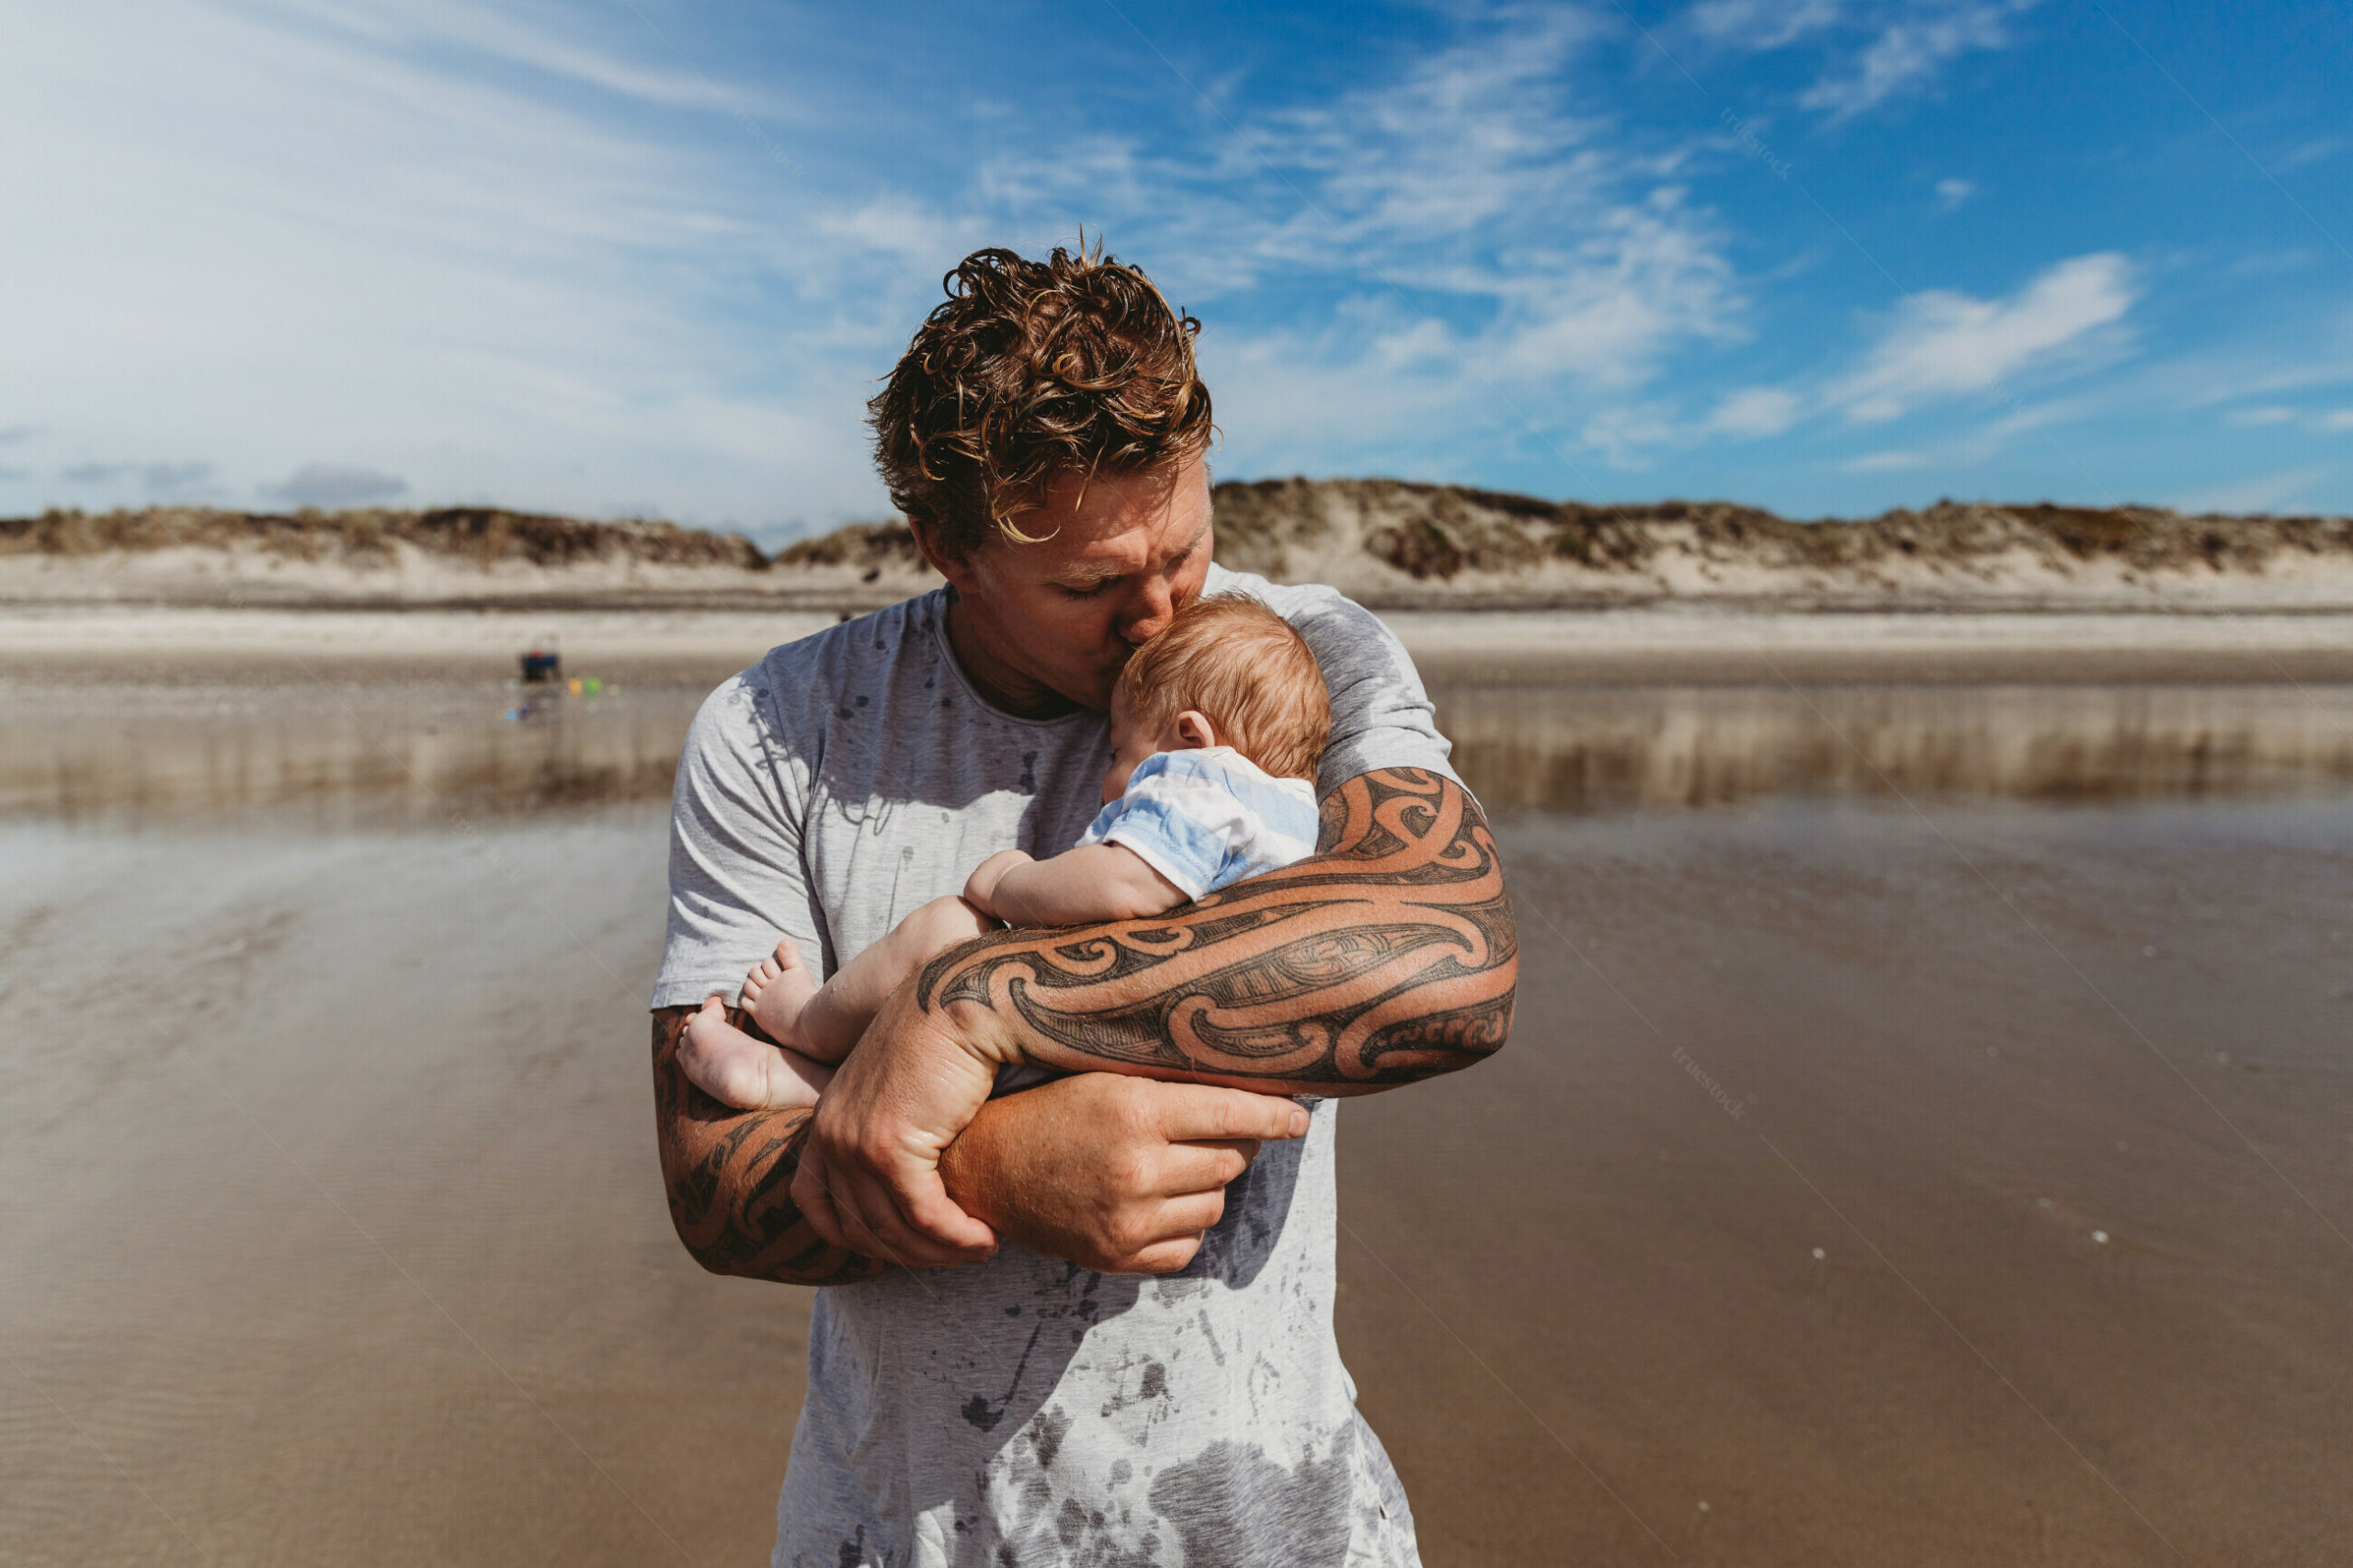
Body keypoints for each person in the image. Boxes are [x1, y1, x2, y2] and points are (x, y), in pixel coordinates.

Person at [649, 243, 1517, 1567]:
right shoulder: (778, 731)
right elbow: (709, 1186)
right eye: (1089, 584)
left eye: (1184, 543)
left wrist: (967, 1009)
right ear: (947, 547)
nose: (1163, 607)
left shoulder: (1294, 657)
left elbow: (1451, 963)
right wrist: (1010, 1168)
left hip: (1274, 1524)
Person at [675, 592, 1329, 1113]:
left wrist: (1008, 883)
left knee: (950, 929)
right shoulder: (1298, 811)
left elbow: (1123, 887)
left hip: (1097, 1024)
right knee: (964, 1099)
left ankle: (804, 1028)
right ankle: (788, 1085)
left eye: (1120, 753)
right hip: (1190, 1055)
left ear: (1189, 735)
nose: (1110, 780)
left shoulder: (1206, 779)